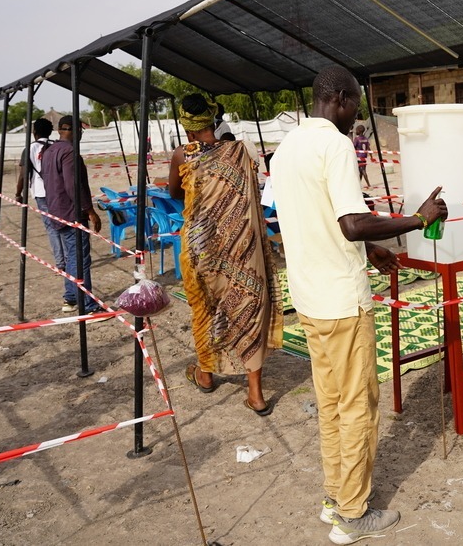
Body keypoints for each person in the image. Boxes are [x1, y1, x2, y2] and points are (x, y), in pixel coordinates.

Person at [271, 64, 447, 545]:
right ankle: (352, 513)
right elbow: (350, 222)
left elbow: (319, 218)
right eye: (357, 107)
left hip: (308, 297)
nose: (358, 118)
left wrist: (370, 248)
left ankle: (336, 496)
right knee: (357, 407)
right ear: (343, 100)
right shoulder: (335, 144)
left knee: (331, 405)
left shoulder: (288, 148)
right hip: (342, 302)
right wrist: (416, 219)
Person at [167, 93, 283, 416]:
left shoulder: (183, 155)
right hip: (240, 248)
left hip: (201, 250)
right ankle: (256, 394)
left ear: (187, 128)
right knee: (248, 307)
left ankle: (205, 374)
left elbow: (174, 192)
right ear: (212, 121)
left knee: (206, 311)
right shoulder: (240, 151)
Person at [41, 115, 107, 315]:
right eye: (80, 130)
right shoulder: (69, 152)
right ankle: (88, 306)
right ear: (71, 129)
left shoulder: (49, 151)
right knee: (80, 259)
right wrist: (90, 211)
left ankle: (70, 298)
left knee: (72, 257)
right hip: (71, 213)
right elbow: (73, 186)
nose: (81, 135)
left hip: (56, 210)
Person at [15, 117, 66, 275]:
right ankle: (69, 260)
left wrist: (18, 193)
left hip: (40, 192)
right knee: (63, 225)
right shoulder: (57, 146)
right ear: (51, 132)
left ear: (34, 132)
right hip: (58, 191)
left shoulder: (29, 149)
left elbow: (23, 175)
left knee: (51, 228)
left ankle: (60, 262)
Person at [352, 124, 371, 189]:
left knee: (362, 170)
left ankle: (369, 185)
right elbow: (369, 147)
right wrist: (371, 156)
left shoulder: (357, 139)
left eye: (356, 130)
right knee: (361, 171)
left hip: (359, 157)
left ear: (359, 131)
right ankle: (359, 184)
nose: (355, 131)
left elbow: (353, 147)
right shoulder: (365, 138)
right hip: (364, 157)